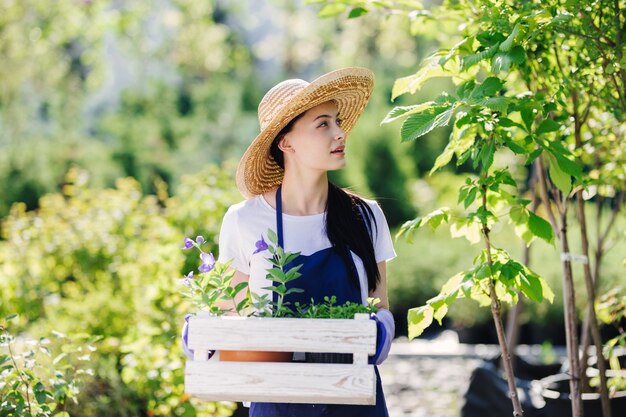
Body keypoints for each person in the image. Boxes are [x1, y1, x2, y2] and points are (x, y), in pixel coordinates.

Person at [186, 67, 396, 417]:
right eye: (323, 124)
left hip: (355, 398)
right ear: (286, 142)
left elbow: (380, 306)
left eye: (338, 121)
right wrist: (202, 337)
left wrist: (380, 330)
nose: (340, 133)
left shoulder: (366, 216)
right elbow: (232, 320)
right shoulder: (244, 220)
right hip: (277, 402)